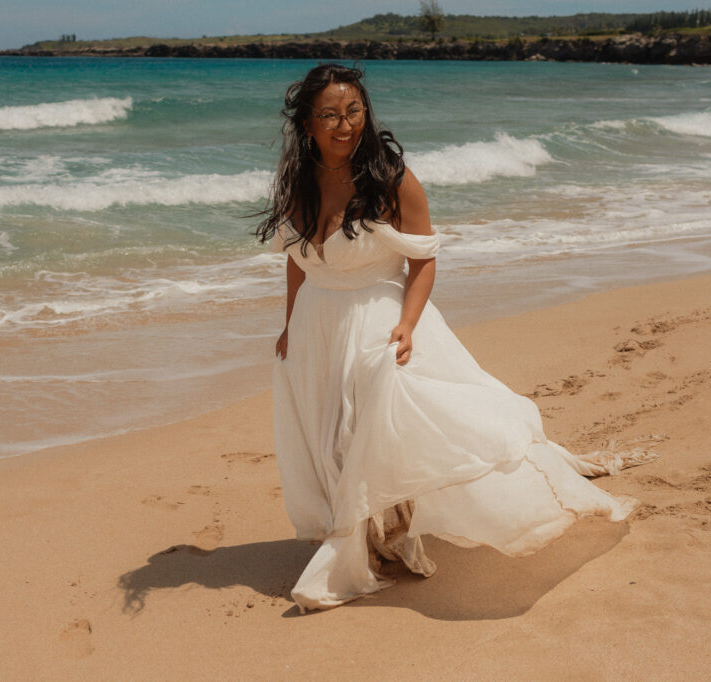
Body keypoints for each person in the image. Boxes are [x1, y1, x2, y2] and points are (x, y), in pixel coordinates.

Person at [255, 63, 658, 613]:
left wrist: (408, 323)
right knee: (330, 435)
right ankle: (370, 533)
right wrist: (289, 321)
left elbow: (423, 259)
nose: (344, 125)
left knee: (378, 424)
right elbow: (297, 260)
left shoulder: (391, 178)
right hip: (317, 325)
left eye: (354, 111)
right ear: (306, 124)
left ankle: (358, 547)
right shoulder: (299, 181)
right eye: (329, 114)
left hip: (377, 316)